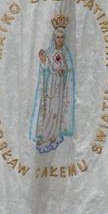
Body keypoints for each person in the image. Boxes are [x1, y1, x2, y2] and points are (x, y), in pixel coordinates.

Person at [30, 16, 76, 154]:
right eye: (58, 37)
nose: (60, 40)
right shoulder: (50, 53)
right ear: (54, 38)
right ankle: (45, 134)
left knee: (56, 109)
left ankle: (54, 134)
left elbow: (69, 69)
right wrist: (43, 60)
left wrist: (64, 71)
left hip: (59, 85)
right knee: (48, 109)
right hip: (50, 85)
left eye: (62, 37)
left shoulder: (65, 53)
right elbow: (45, 68)